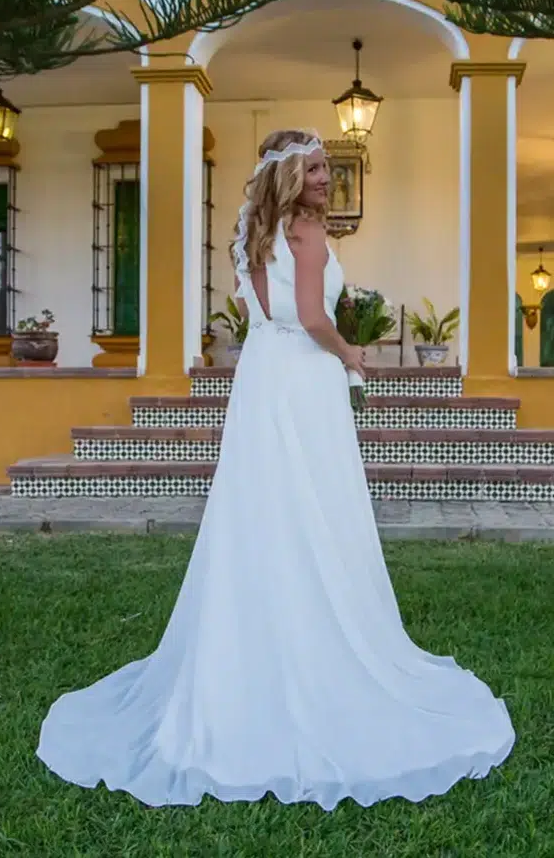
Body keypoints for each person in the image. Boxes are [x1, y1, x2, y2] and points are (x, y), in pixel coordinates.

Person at [37, 128, 515, 810]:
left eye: (327, 168)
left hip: (261, 377)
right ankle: (315, 644)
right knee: (312, 505)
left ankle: (251, 645)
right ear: (291, 174)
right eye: (316, 168)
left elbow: (265, 309)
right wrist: (352, 353)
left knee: (260, 508)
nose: (326, 178)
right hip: (304, 378)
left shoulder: (253, 236)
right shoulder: (310, 238)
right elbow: (316, 318)